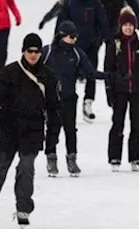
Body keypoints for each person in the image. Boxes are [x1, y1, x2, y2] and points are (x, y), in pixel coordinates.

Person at [0, 33, 61, 227]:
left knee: (26, 169)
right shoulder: (10, 72)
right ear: (23, 51)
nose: (33, 55)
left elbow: (54, 109)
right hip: (7, 127)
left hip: (32, 130)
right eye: (30, 51)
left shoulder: (48, 76)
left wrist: (52, 138)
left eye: (37, 51)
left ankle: (23, 209)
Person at [40, 21, 103, 177]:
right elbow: (33, 68)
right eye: (71, 37)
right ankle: (51, 158)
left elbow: (90, 72)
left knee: (70, 130)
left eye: (76, 37)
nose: (75, 40)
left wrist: (111, 77)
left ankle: (72, 159)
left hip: (69, 97)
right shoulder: (47, 52)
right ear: (62, 36)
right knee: (53, 129)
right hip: (51, 98)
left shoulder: (77, 53)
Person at [106, 9, 139, 170]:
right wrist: (109, 91)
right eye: (125, 25)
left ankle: (135, 157)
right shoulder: (114, 45)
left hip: (137, 91)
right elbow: (108, 69)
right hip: (119, 91)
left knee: (137, 125)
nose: (128, 28)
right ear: (120, 26)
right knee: (117, 124)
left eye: (130, 25)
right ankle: (114, 157)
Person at [55, 0, 109, 121]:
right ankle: (66, 102)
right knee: (69, 74)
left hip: (92, 45)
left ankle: (88, 102)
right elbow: (61, 23)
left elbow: (102, 21)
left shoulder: (95, 3)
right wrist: (57, 41)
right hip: (73, 46)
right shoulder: (70, 3)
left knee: (92, 74)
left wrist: (104, 38)